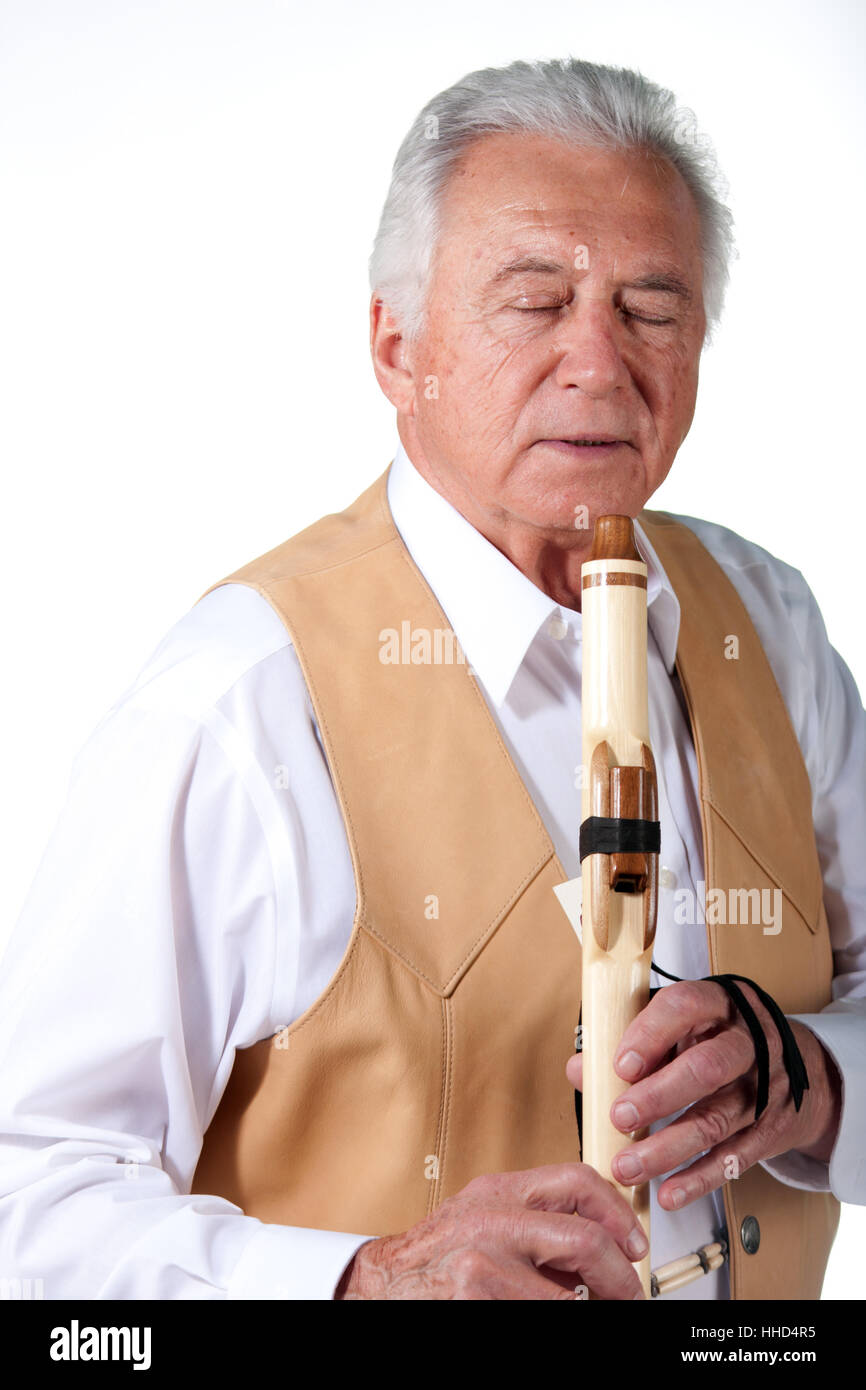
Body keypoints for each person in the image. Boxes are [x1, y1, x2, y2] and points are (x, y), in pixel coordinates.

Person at [0, 57, 863, 1302]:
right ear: (396, 348)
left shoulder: (769, 625)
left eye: (651, 306)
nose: (598, 362)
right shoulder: (243, 698)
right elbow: (32, 1196)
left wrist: (806, 1078)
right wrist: (363, 1281)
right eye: (532, 300)